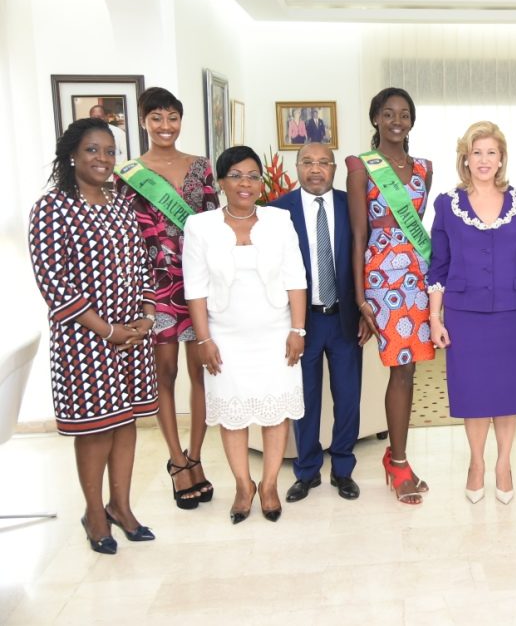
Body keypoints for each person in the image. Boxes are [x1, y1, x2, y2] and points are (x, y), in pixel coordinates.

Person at [29, 118, 158, 554]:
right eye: (92, 150)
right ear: (72, 155)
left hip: (132, 335)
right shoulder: (52, 207)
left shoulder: (121, 202)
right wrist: (109, 330)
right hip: (86, 341)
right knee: (97, 428)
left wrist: (146, 314)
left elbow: (141, 263)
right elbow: (55, 284)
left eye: (108, 151)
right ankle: (95, 514)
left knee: (127, 423)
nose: (103, 159)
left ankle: (121, 506)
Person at [182, 146, 307, 524]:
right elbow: (196, 288)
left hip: (275, 334)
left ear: (261, 182)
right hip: (224, 337)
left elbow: (295, 279)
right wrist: (204, 340)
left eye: (253, 175)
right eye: (236, 175)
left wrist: (297, 329)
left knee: (275, 411)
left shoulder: (279, 219)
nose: (245, 183)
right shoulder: (199, 226)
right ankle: (242, 485)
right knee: (233, 416)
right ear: (221, 182)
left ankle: (268, 485)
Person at [427, 121, 516, 505]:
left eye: (491, 152)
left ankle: (504, 465)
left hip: (515, 312)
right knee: (474, 395)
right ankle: (476, 463)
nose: (484, 160)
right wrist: (434, 317)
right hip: (465, 313)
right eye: (477, 152)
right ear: (465, 157)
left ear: (502, 158)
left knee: (508, 395)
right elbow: (438, 265)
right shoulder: (446, 204)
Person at [115, 87, 219, 511]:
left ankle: (196, 457)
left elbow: (213, 225)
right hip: (153, 289)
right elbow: (123, 236)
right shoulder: (128, 173)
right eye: (156, 118)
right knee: (166, 371)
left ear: (181, 120)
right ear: (143, 121)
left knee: (200, 371)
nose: (165, 126)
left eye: (172, 117)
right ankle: (176, 461)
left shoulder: (201, 167)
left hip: (196, 283)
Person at [346, 87, 434, 505]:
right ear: (375, 119)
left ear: (412, 121)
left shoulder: (424, 168)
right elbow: (359, 235)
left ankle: (396, 456)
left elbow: (417, 226)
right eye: (388, 114)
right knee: (398, 369)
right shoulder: (362, 167)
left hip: (416, 278)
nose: (396, 121)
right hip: (382, 282)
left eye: (404, 115)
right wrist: (362, 298)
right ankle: (397, 461)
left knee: (410, 370)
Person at [271, 143, 365, 503]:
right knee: (305, 399)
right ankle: (307, 472)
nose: (315, 169)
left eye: (323, 162)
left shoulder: (351, 206)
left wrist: (365, 310)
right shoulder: (278, 211)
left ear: (334, 167)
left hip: (344, 318)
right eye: (307, 162)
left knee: (348, 398)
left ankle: (343, 469)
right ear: (296, 167)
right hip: (301, 322)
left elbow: (364, 260)